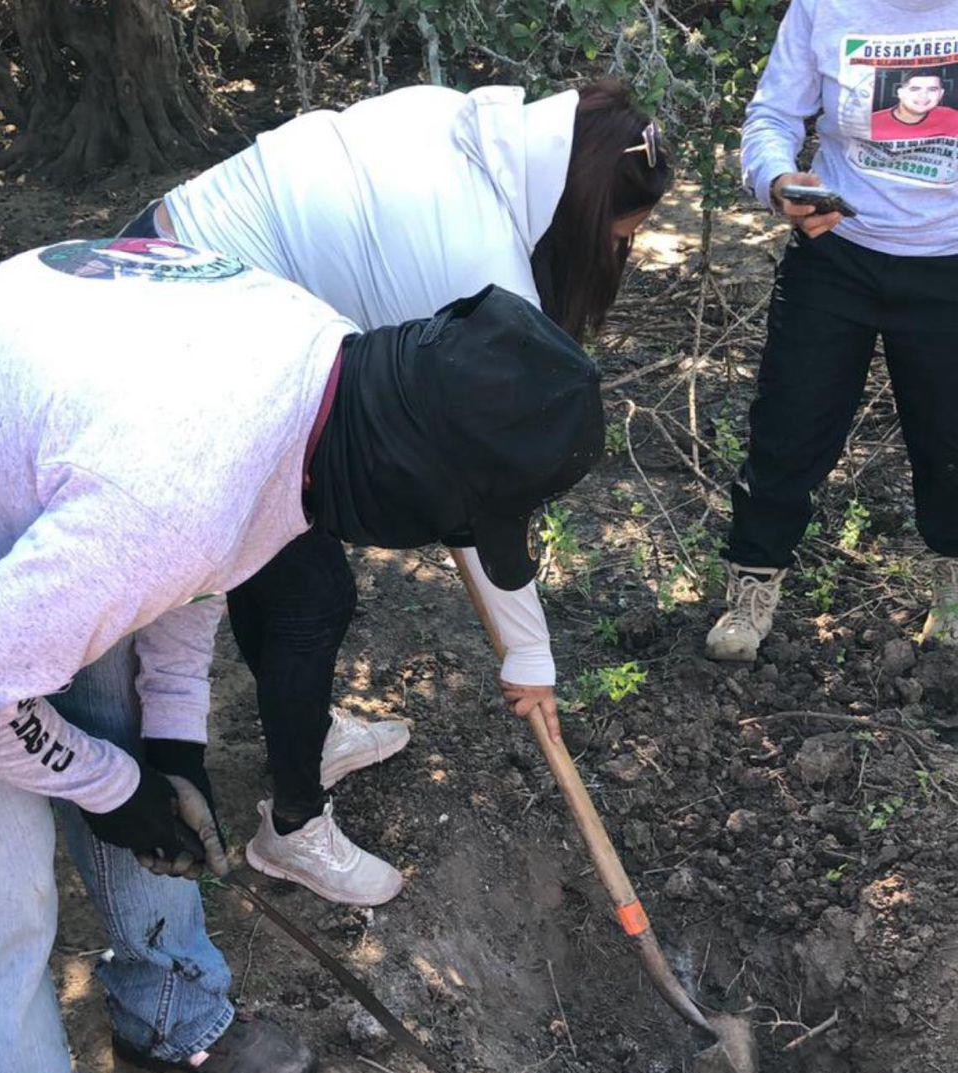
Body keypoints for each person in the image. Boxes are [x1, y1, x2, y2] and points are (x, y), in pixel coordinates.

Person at [0, 235, 603, 1073]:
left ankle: (171, 1005)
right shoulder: (176, 486)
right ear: (407, 479)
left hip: (47, 487)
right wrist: (110, 787)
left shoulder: (321, 381)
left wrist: (170, 742)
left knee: (135, 745)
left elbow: (200, 571)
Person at [128, 79, 668, 902]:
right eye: (623, 234)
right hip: (182, 337)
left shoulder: (466, 125)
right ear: (585, 210)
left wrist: (529, 648)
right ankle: (293, 829)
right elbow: (478, 486)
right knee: (311, 593)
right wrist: (530, 656)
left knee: (284, 560)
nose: (624, 249)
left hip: (172, 276)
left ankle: (308, 736)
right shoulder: (474, 257)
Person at [705, 0, 958, 664]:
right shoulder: (825, 6)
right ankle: (752, 587)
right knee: (789, 426)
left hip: (950, 260)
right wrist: (776, 179)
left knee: (951, 436)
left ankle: (955, 594)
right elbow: (774, 115)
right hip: (836, 253)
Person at [870, 71, 958, 142]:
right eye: (915, 89)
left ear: (941, 94)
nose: (923, 96)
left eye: (932, 89)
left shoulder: (952, 117)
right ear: (900, 93)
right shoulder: (871, 123)